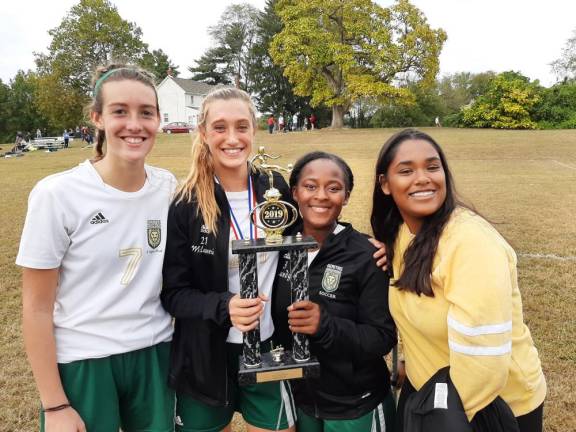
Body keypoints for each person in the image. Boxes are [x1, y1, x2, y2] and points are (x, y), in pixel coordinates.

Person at [17, 64, 177, 432]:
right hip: (84, 360)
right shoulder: (57, 194)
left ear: (158, 120)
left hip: (154, 352)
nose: (134, 125)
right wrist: (54, 405)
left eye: (146, 113)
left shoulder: (167, 187)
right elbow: (36, 307)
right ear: (97, 118)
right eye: (120, 111)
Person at [370, 129, 546, 432]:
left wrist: (434, 414)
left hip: (493, 407)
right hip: (432, 392)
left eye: (432, 166)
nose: (423, 177)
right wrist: (412, 363)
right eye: (406, 170)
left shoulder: (471, 242)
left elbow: (483, 365)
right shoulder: (399, 235)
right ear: (385, 184)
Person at [161, 87, 297, 432]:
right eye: (220, 127)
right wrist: (225, 307)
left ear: (254, 130)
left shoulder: (275, 187)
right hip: (206, 355)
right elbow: (173, 293)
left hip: (269, 348)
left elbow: (307, 239)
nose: (232, 138)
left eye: (242, 126)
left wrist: (359, 244)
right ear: (203, 133)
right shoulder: (186, 203)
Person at [272, 151, 397, 432]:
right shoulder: (276, 247)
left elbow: (382, 337)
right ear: (295, 193)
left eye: (334, 188)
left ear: (347, 196)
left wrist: (325, 325)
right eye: (310, 186)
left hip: (355, 404)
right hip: (302, 400)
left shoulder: (367, 255)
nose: (321, 196)